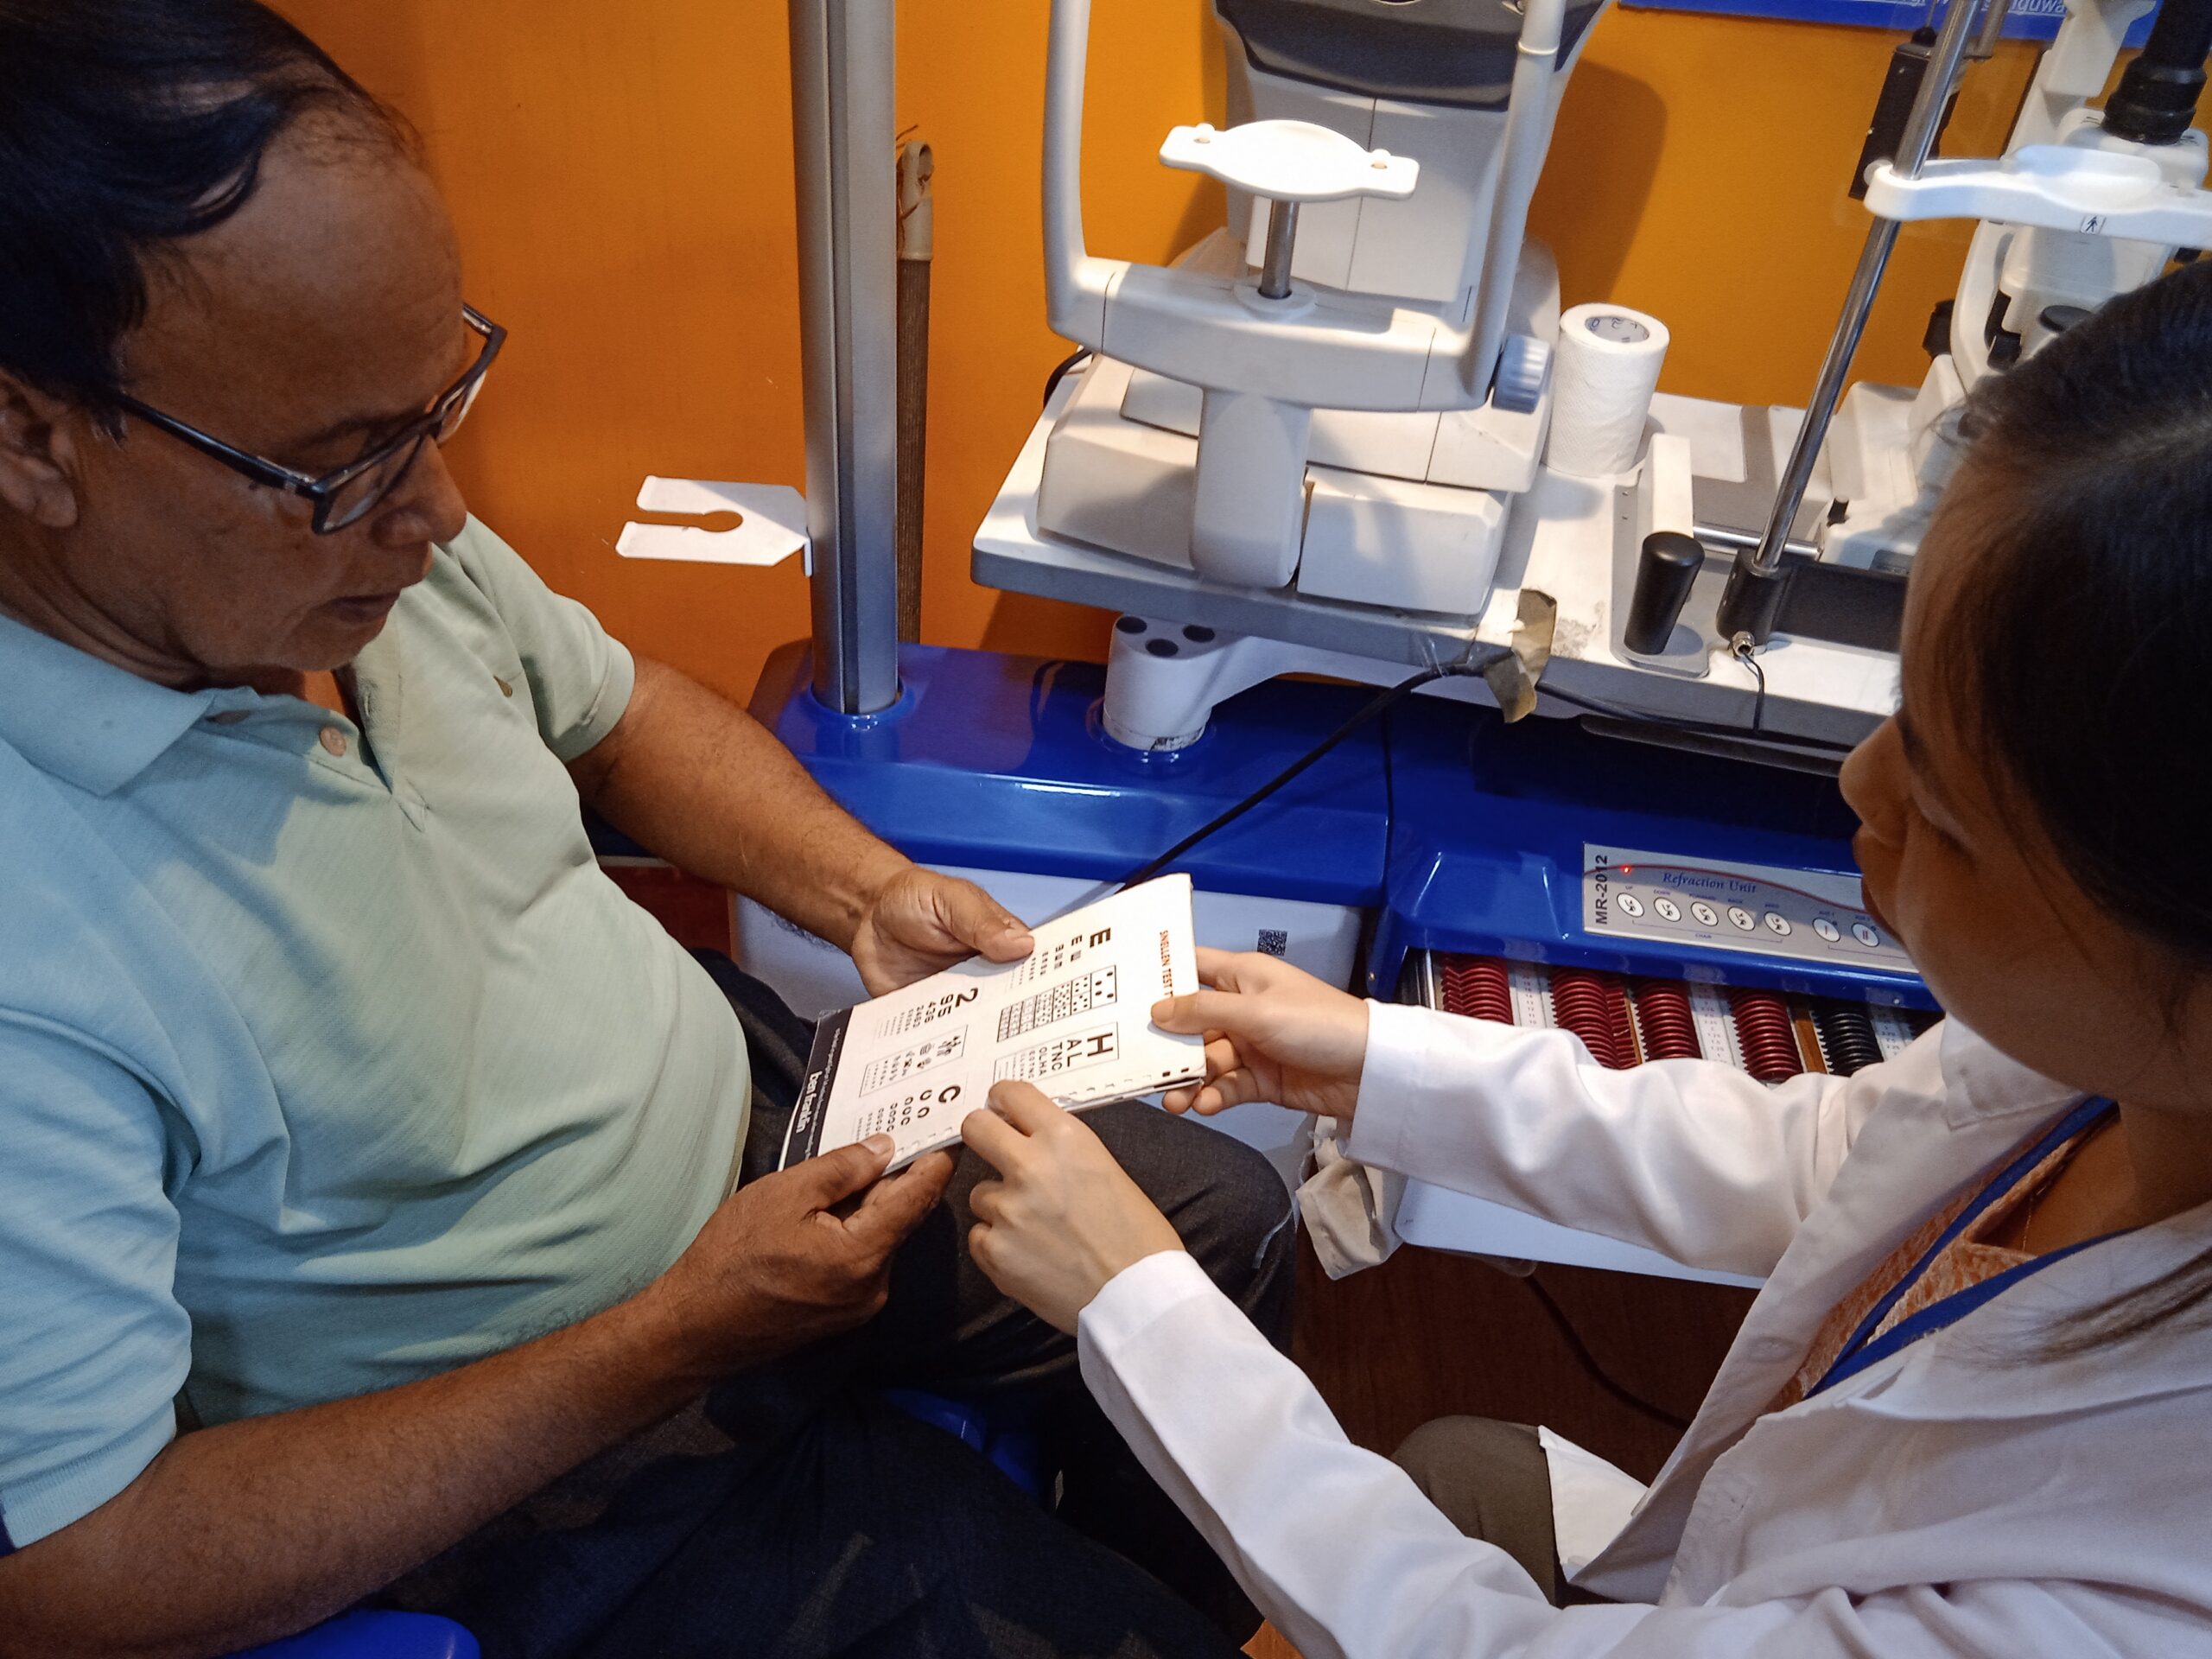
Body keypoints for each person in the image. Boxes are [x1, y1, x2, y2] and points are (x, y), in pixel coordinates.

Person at [0, 3, 1289, 1655]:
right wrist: (675, 1336)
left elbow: (614, 712)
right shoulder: (39, 940)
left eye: (436, 406)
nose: (441, 515)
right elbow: (74, 1568)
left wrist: (867, 892)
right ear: (35, 436)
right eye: (342, 463)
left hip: (772, 1130)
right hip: (553, 1443)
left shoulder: (342, 560)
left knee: (1223, 1232)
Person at [962, 260, 2212, 1656]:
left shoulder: (2138, 1591)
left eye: (1952, 816)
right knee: (1456, 1467)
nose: (1857, 789)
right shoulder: (2099, 1068)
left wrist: (1149, 1321)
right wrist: (1376, 1060)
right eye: (1897, 716)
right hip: (1711, 1579)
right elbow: (1841, 1167)